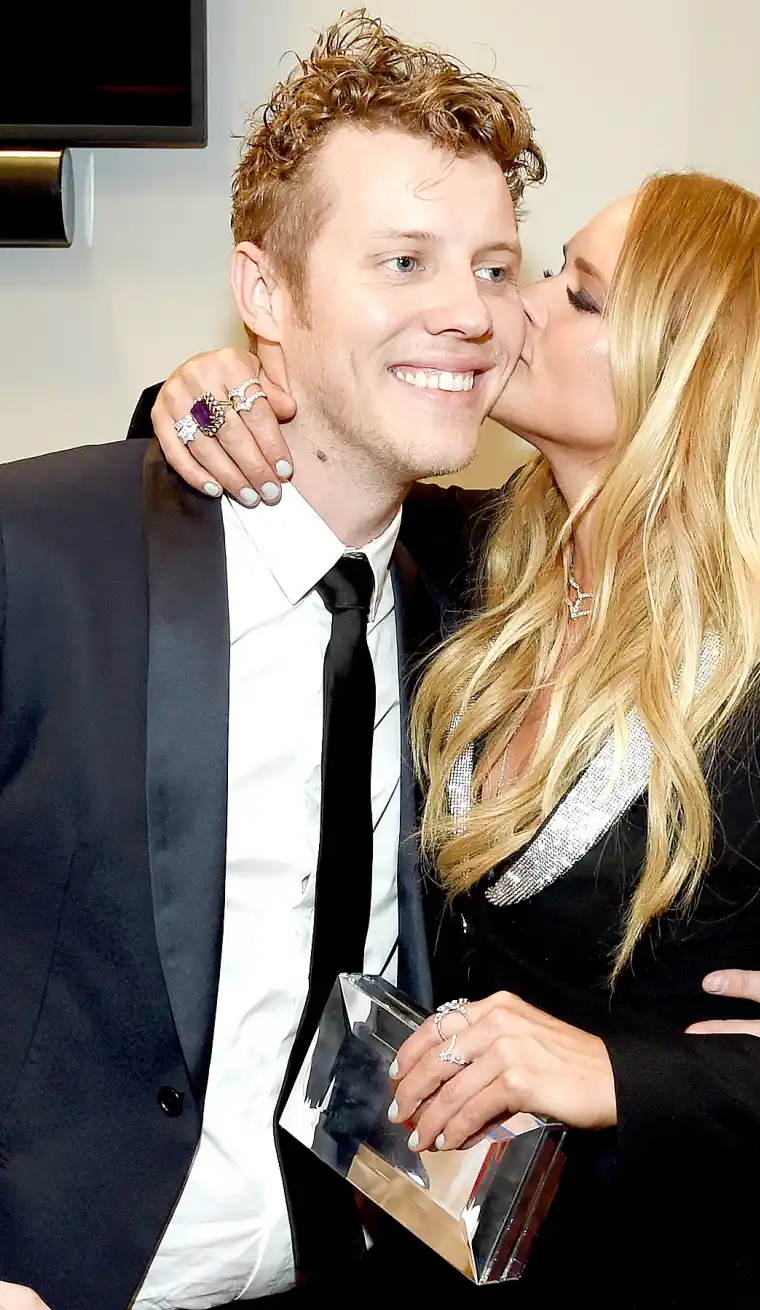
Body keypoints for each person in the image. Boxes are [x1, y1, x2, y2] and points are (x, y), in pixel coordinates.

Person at [148, 171, 760, 1308]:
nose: (520, 306)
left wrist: (613, 1070)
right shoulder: (471, 562)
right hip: (437, 1250)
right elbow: (270, 473)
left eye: (579, 293)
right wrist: (199, 391)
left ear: (695, 376)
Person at [0, 14, 540, 1309]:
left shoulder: (491, 592)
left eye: (495, 266)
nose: (466, 313)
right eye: (403, 260)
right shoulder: (38, 553)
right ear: (263, 292)